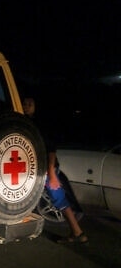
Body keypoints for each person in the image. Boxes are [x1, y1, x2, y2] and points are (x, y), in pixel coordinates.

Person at [23, 96, 87, 244]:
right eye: (24, 104)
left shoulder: (41, 125)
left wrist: (51, 174)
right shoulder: (26, 123)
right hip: (35, 169)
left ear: (36, 106)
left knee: (59, 200)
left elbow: (51, 151)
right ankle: (77, 233)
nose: (26, 106)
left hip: (46, 170)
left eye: (30, 104)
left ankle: (78, 233)